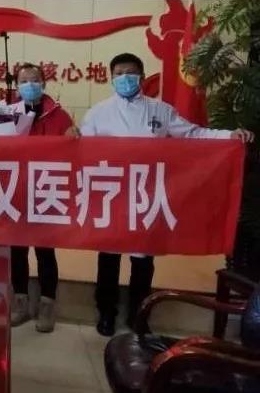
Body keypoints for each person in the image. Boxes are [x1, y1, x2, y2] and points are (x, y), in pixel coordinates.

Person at [81, 52, 255, 337]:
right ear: (111, 78)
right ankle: (106, 313)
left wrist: (228, 136)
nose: (125, 78)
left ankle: (138, 315)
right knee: (108, 258)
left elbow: (194, 134)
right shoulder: (98, 113)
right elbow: (81, 151)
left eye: (130, 72)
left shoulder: (160, 110)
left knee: (142, 261)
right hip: (111, 195)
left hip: (147, 195)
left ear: (141, 76)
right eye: (119, 73)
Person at [8, 63, 76, 334]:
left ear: (44, 83)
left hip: (47, 189)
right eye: (24, 81)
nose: (30, 85)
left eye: (35, 80)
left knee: (45, 250)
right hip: (15, 189)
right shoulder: (7, 113)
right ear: (17, 86)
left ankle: (48, 304)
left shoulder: (59, 115)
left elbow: (73, 152)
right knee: (17, 249)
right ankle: (20, 301)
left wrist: (74, 138)